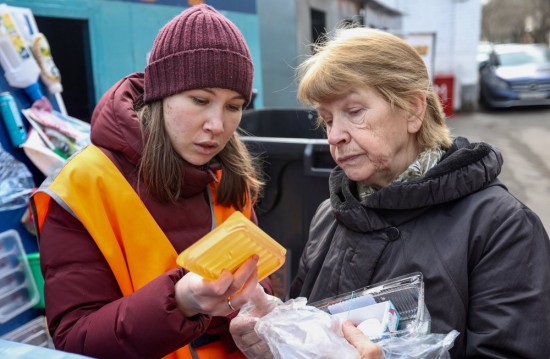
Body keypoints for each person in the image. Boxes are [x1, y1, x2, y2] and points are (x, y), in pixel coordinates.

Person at [231, 26, 550, 358]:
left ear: (413, 110)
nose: (335, 135)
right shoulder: (330, 214)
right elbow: (314, 338)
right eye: (326, 120)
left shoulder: (502, 228)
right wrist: (279, 338)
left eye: (354, 112)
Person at [30, 4, 270, 359]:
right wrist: (179, 301)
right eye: (200, 100)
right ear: (159, 95)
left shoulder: (230, 177)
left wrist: (261, 314)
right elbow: (76, 340)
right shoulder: (83, 185)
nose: (217, 126)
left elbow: (254, 287)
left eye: (234, 106)